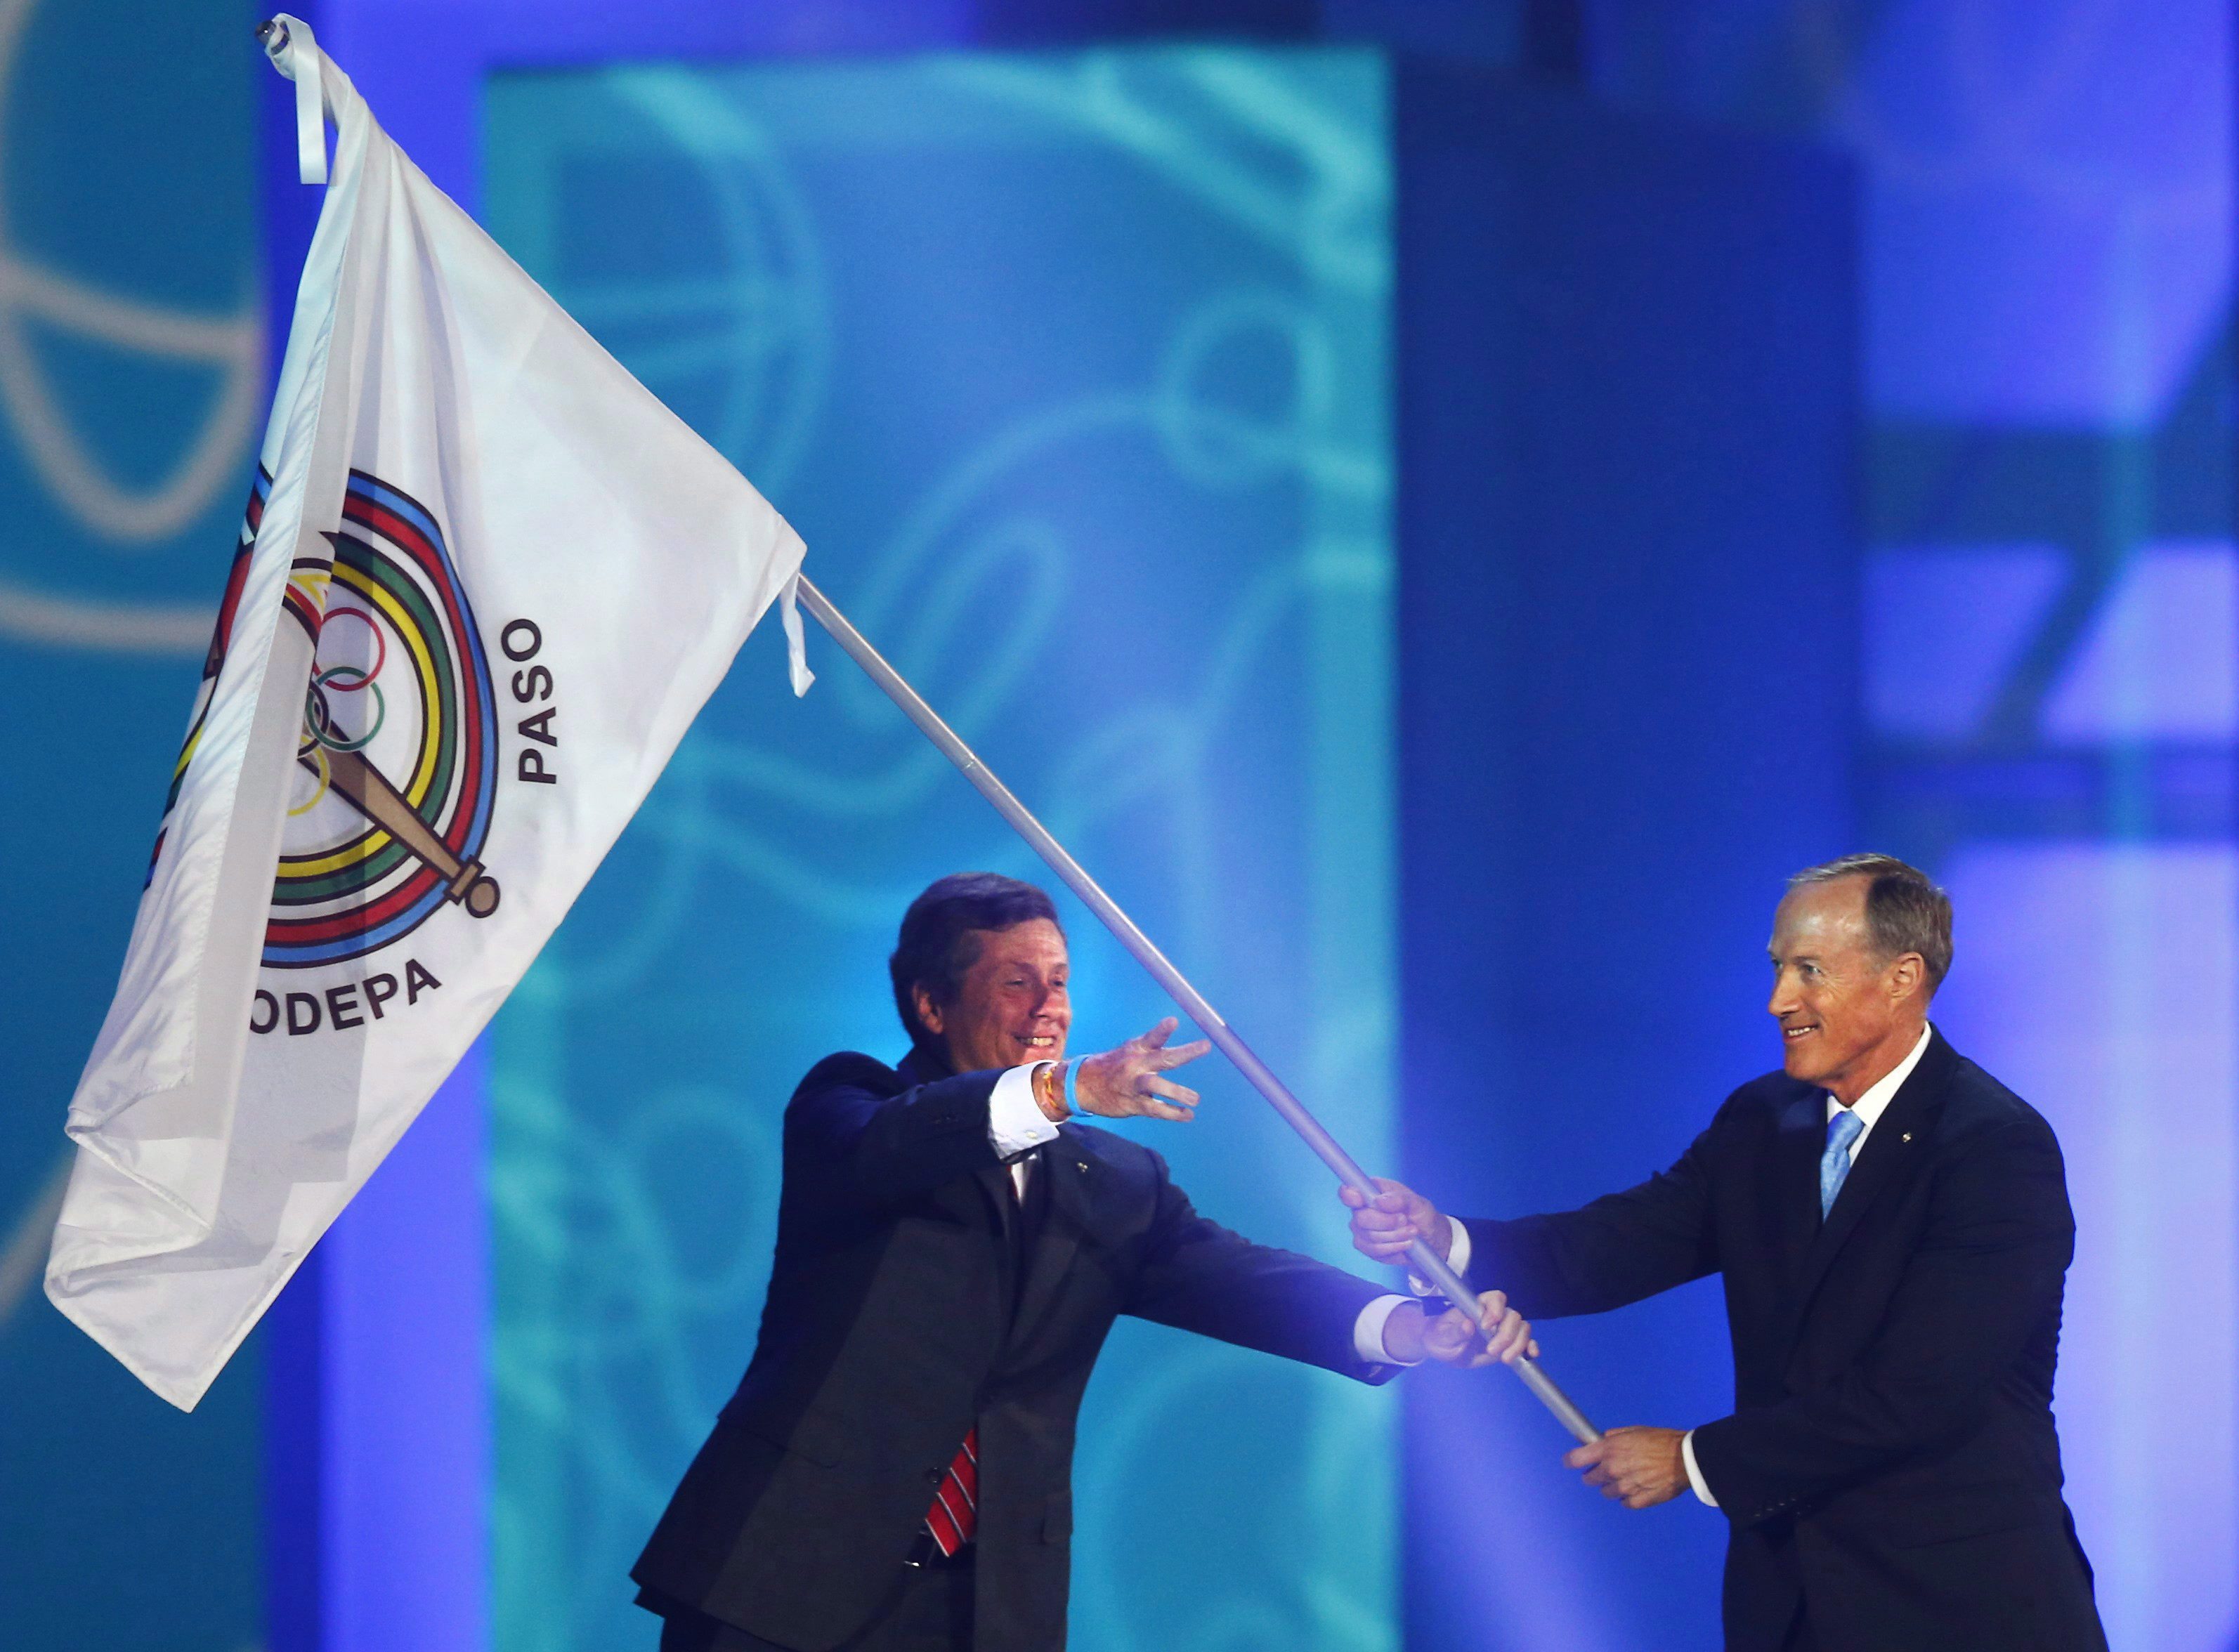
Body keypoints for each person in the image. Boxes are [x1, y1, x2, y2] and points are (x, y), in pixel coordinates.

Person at [634, 872, 1532, 1651]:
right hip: (781, 1585)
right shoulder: (852, 1105)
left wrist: (1412, 1327)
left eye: (1058, 981)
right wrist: (1067, 1089)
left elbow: (1239, 1281)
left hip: (985, 1608)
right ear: (931, 1006)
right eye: (1015, 982)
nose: (1047, 1008)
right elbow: (897, 1148)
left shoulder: (1116, 1181)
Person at [1345, 854, 2107, 1652]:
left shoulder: (1991, 1147)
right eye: (1778, 967)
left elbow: (1916, 1395)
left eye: (1810, 970)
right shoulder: (1763, 1121)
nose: (1779, 1000)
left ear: (1900, 978)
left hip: (1958, 1608)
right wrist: (1449, 1241)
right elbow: (1619, 1244)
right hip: (1788, 1608)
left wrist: (1692, 1460)